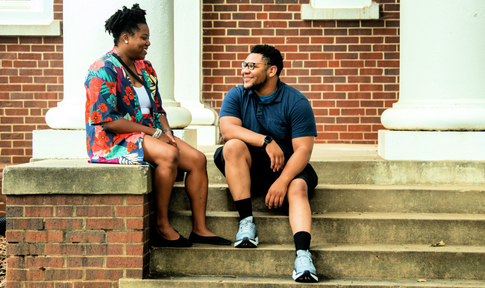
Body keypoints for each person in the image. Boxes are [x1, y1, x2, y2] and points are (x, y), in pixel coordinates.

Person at [84, 4, 230, 247]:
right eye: (144, 37)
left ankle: (200, 229)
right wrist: (156, 133)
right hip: (111, 140)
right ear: (125, 37)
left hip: (147, 133)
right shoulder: (102, 69)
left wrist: (169, 133)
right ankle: (161, 226)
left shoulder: (145, 67)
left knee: (196, 159)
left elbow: (158, 108)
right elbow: (108, 121)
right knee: (169, 155)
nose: (148, 43)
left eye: (148, 38)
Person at [214, 44, 319, 282]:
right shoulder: (237, 94)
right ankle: (247, 224)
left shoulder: (296, 101)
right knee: (232, 146)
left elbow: (303, 150)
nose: (245, 70)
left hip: (287, 166)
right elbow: (228, 129)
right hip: (249, 165)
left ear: (272, 71)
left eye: (252, 66)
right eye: (245, 65)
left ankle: (303, 257)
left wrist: (282, 181)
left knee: (298, 187)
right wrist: (265, 140)